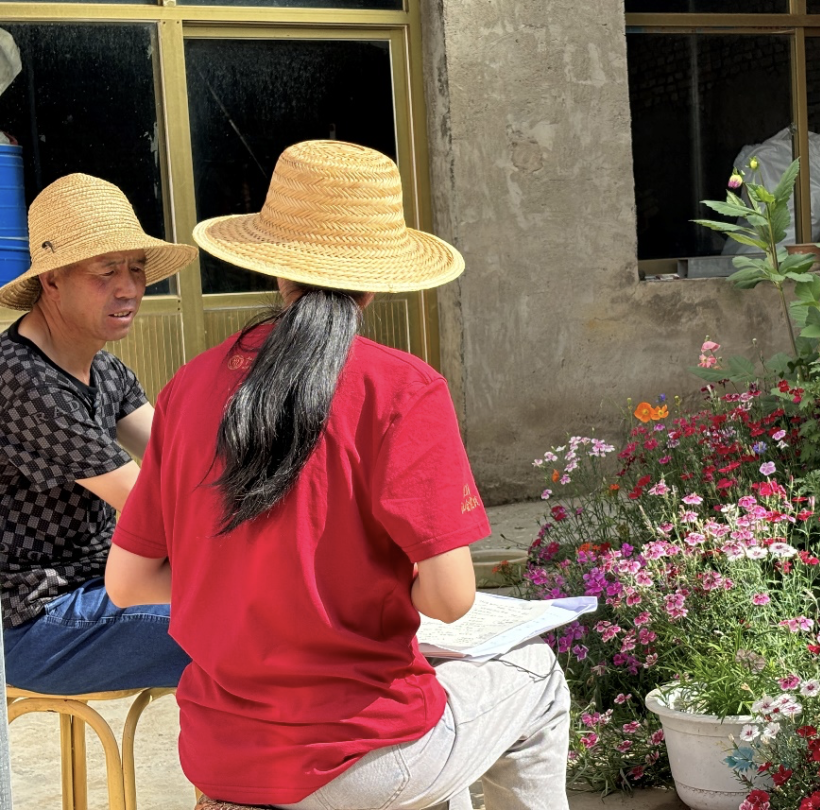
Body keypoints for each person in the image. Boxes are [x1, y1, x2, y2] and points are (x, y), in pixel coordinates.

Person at [104, 140, 570, 810]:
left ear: (274, 268)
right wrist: (353, 593)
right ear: (378, 278)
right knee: (537, 675)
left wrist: (253, 586)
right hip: (363, 751)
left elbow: (127, 582)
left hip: (222, 758)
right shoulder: (402, 388)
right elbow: (449, 600)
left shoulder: (189, 387)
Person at [0, 173, 196, 693]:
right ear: (52, 281)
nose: (128, 288)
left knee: (257, 603)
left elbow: (182, 461)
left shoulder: (105, 369)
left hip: (102, 589)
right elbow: (151, 502)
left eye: (137, 269)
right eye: (106, 271)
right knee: (243, 622)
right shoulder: (22, 378)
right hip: (34, 622)